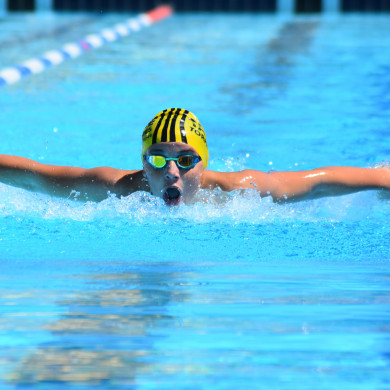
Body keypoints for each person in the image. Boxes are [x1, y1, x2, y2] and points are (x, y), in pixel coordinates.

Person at [0, 108, 389, 206]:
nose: (171, 171)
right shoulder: (118, 190)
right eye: (157, 159)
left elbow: (318, 181)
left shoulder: (240, 193)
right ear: (142, 163)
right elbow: (35, 176)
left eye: (186, 160)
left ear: (203, 164)